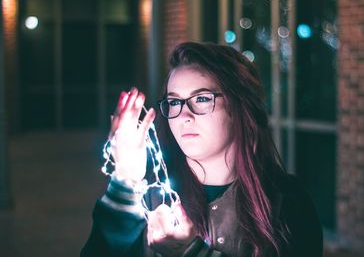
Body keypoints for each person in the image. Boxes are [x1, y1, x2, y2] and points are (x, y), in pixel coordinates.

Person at [81, 42, 323, 257]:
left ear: (240, 106)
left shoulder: (287, 203)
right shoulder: (151, 198)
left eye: (202, 98)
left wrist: (190, 252)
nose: (184, 115)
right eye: (174, 102)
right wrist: (124, 180)